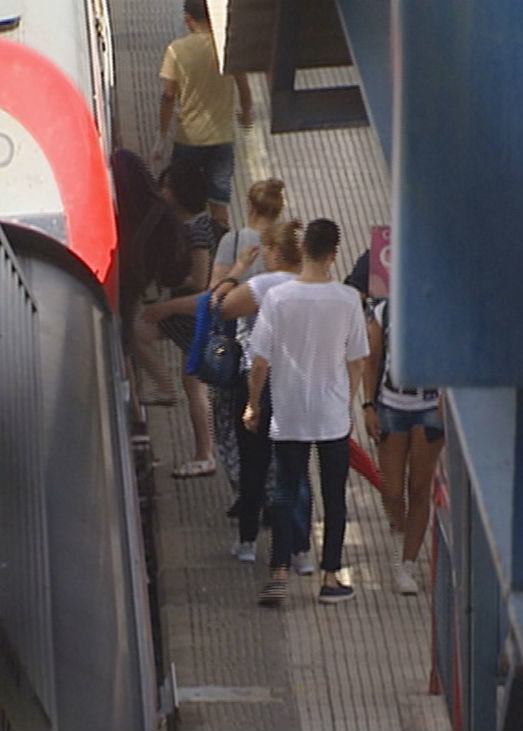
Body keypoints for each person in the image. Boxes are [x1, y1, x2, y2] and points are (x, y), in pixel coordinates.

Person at [245, 219, 369, 606]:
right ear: (334, 254)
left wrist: (253, 403)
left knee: (285, 491)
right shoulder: (348, 299)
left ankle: (280, 573)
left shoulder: (278, 298)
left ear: (302, 251)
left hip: (289, 411)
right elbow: (357, 361)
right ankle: (330, 577)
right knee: (335, 497)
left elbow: (259, 362)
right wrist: (347, 401)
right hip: (332, 414)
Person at [141, 178, 287, 487]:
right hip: (282, 354)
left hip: (238, 352)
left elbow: (213, 299)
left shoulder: (235, 242)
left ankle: (242, 484)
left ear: (249, 206)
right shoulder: (287, 246)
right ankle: (275, 488)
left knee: (231, 422)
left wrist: (168, 308)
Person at [210, 221, 314, 575]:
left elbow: (219, 305)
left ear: (273, 252)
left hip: (259, 381)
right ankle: (301, 549)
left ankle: (248, 542)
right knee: (296, 470)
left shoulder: (263, 285)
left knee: (254, 463)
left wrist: (237, 270)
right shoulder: (316, 287)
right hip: (299, 384)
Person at [132, 160, 223, 478]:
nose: (161, 191)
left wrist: (168, 284)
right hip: (189, 312)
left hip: (191, 312)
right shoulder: (192, 225)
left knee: (193, 384)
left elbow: (199, 280)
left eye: (167, 187)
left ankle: (204, 455)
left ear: (181, 193)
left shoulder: (196, 231)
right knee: (192, 383)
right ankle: (203, 452)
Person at [362, 297, 445, 595]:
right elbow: (372, 358)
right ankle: (399, 530)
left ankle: (407, 564)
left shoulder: (446, 310)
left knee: (419, 488)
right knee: (392, 489)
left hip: (430, 406)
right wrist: (368, 404)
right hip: (391, 405)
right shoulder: (385, 310)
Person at [154, 0, 253, 229]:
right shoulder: (227, 45)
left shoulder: (176, 51)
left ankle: (183, 240)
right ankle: (219, 242)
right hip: (222, 138)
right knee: (219, 200)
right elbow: (244, 87)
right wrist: (246, 114)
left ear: (187, 19)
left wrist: (162, 134)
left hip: (188, 138)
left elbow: (168, 95)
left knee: (179, 196)